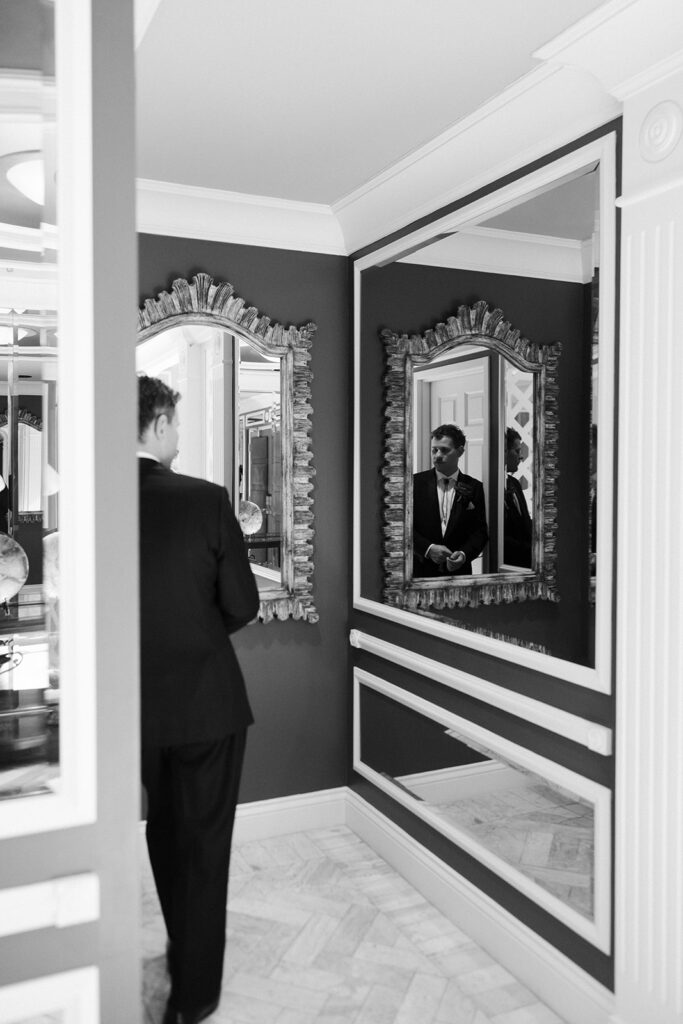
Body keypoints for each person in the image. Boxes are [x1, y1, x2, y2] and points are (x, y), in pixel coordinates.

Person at [137, 375, 259, 1024]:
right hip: (208, 703)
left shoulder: (94, 502)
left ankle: (180, 944)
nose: (180, 436)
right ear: (158, 424)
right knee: (206, 844)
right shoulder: (207, 501)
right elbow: (242, 605)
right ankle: (194, 994)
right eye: (176, 424)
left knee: (163, 829)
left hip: (137, 711)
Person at [413, 423, 488, 577]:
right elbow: (401, 527)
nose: (437, 455)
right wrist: (428, 549)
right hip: (419, 571)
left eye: (444, 450)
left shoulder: (474, 487)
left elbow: (480, 532)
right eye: (434, 450)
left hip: (460, 573)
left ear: (460, 451)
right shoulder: (414, 483)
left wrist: (464, 554)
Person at [503, 426, 532, 568]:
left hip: (527, 563)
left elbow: (524, 521)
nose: (521, 456)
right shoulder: (490, 488)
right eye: (517, 451)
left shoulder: (514, 483)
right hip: (507, 564)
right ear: (504, 452)